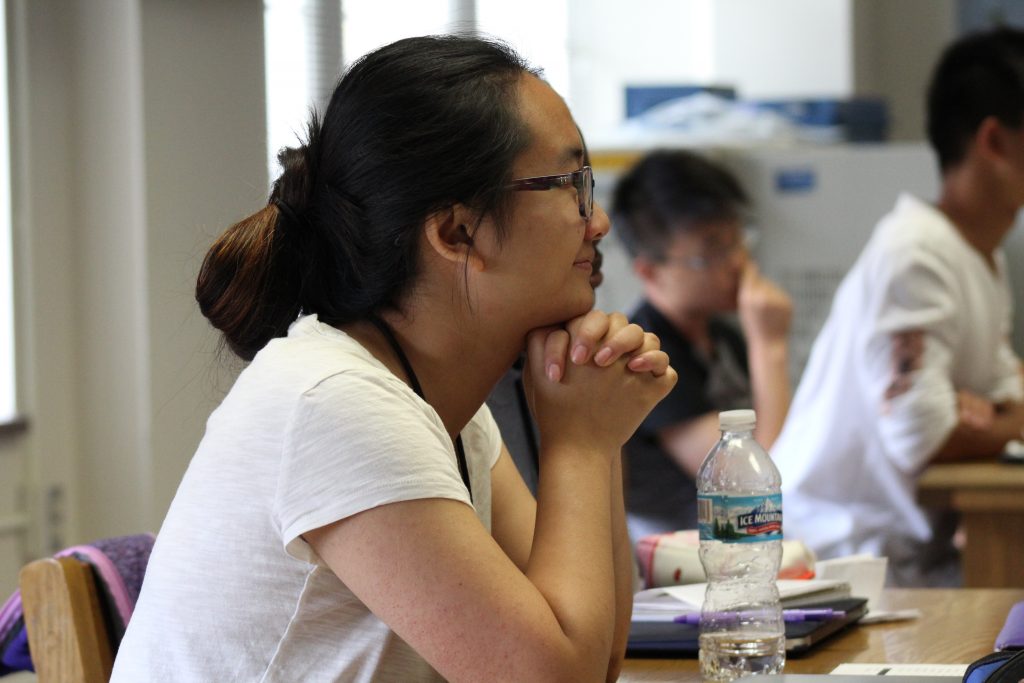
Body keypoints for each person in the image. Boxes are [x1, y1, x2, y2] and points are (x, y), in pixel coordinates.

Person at [111, 35, 676, 682]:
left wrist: (594, 428)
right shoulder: (335, 403)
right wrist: (582, 444)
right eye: (571, 184)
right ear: (456, 232)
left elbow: (595, 655)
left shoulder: (441, 407)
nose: (597, 221)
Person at [772, 27, 1024, 587]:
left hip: (900, 553)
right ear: (995, 142)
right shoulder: (918, 250)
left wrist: (994, 415)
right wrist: (993, 418)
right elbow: (924, 434)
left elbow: (1006, 389)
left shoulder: (980, 253)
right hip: (836, 558)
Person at [610, 150, 793, 541]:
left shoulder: (723, 336)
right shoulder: (646, 354)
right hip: (684, 565)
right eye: (712, 251)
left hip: (745, 544)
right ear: (649, 270)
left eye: (737, 240)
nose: (737, 262)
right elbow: (751, 485)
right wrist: (770, 346)